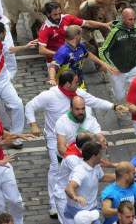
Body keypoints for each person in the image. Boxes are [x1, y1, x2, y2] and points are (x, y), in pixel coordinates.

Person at [26, 70, 124, 219]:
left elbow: (95, 101)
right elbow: (30, 106)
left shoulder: (79, 95)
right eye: (75, 81)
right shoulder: (49, 96)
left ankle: (74, 194)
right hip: (57, 138)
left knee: (77, 170)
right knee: (56, 168)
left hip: (79, 142)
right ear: (67, 84)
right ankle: (55, 203)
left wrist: (114, 106)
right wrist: (33, 124)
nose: (78, 83)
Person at [38, 1, 108, 66]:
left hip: (71, 60)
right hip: (55, 62)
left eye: (59, 13)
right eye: (55, 15)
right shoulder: (45, 29)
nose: (58, 17)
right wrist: (61, 54)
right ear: (48, 14)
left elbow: (87, 23)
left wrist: (105, 25)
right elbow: (42, 50)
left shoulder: (67, 18)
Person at [48, 25, 119, 89]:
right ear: (77, 37)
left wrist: (102, 63)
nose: (82, 36)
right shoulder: (62, 52)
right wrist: (52, 79)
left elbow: (88, 55)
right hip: (66, 87)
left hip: (79, 85)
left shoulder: (80, 46)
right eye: (81, 34)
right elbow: (53, 67)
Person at [64, 141, 116, 224]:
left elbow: (102, 177)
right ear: (94, 157)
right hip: (77, 212)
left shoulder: (96, 166)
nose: (101, 157)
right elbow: (69, 188)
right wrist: (76, 197)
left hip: (92, 210)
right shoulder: (80, 172)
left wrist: (122, 175)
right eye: (100, 154)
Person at [55, 133, 96, 222]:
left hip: (76, 195)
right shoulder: (72, 159)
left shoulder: (78, 148)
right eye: (92, 142)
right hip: (64, 196)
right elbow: (85, 172)